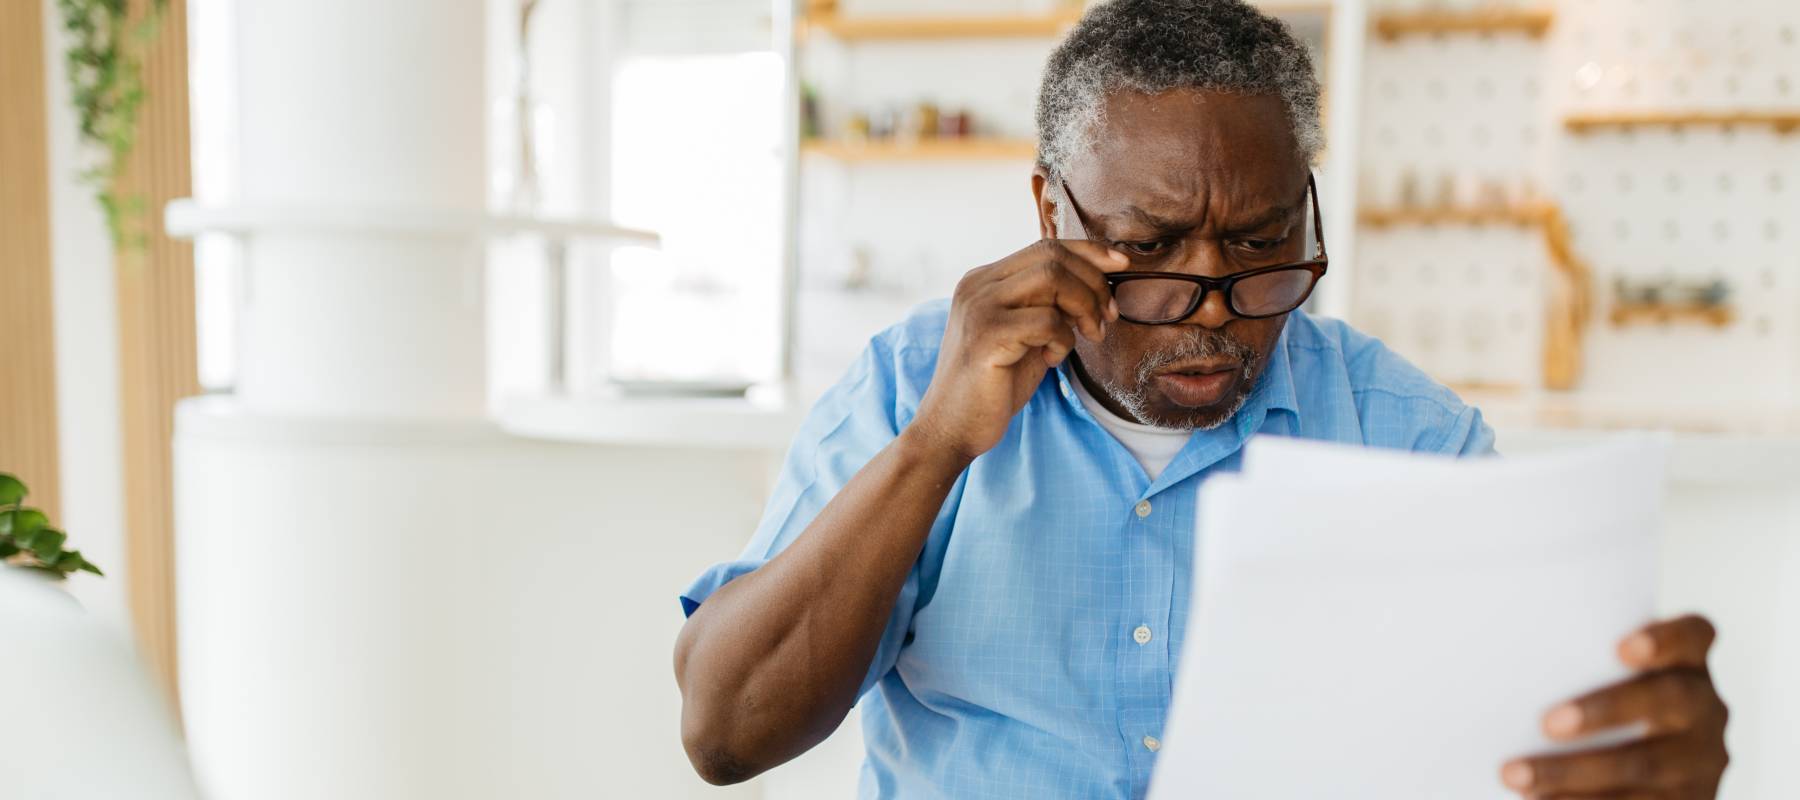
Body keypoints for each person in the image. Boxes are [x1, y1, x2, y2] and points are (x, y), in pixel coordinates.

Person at [672, 1, 1730, 797]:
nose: (1215, 309)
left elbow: (1532, 739)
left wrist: (1632, 755)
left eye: (1266, 241)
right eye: (1150, 247)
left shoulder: (1407, 436)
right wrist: (936, 447)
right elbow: (726, 730)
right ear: (1050, 208)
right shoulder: (913, 385)